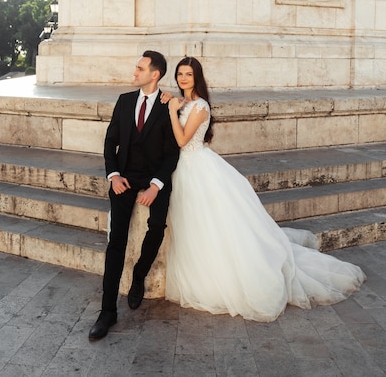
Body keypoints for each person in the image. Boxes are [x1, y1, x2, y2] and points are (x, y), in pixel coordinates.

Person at [164, 57, 366, 322]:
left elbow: (181, 140)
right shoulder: (185, 103)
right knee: (193, 222)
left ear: (197, 77)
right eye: (180, 74)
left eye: (188, 74)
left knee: (207, 222)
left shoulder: (199, 106)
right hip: (184, 168)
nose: (183, 78)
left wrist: (170, 110)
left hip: (196, 166)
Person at [89, 51, 180, 340]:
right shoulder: (125, 101)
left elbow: (171, 152)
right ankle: (107, 312)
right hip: (124, 178)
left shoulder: (168, 105)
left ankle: (139, 274)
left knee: (156, 227)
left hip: (154, 178)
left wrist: (156, 185)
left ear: (155, 74)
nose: (134, 72)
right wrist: (113, 175)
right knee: (116, 241)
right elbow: (110, 142)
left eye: (140, 69)